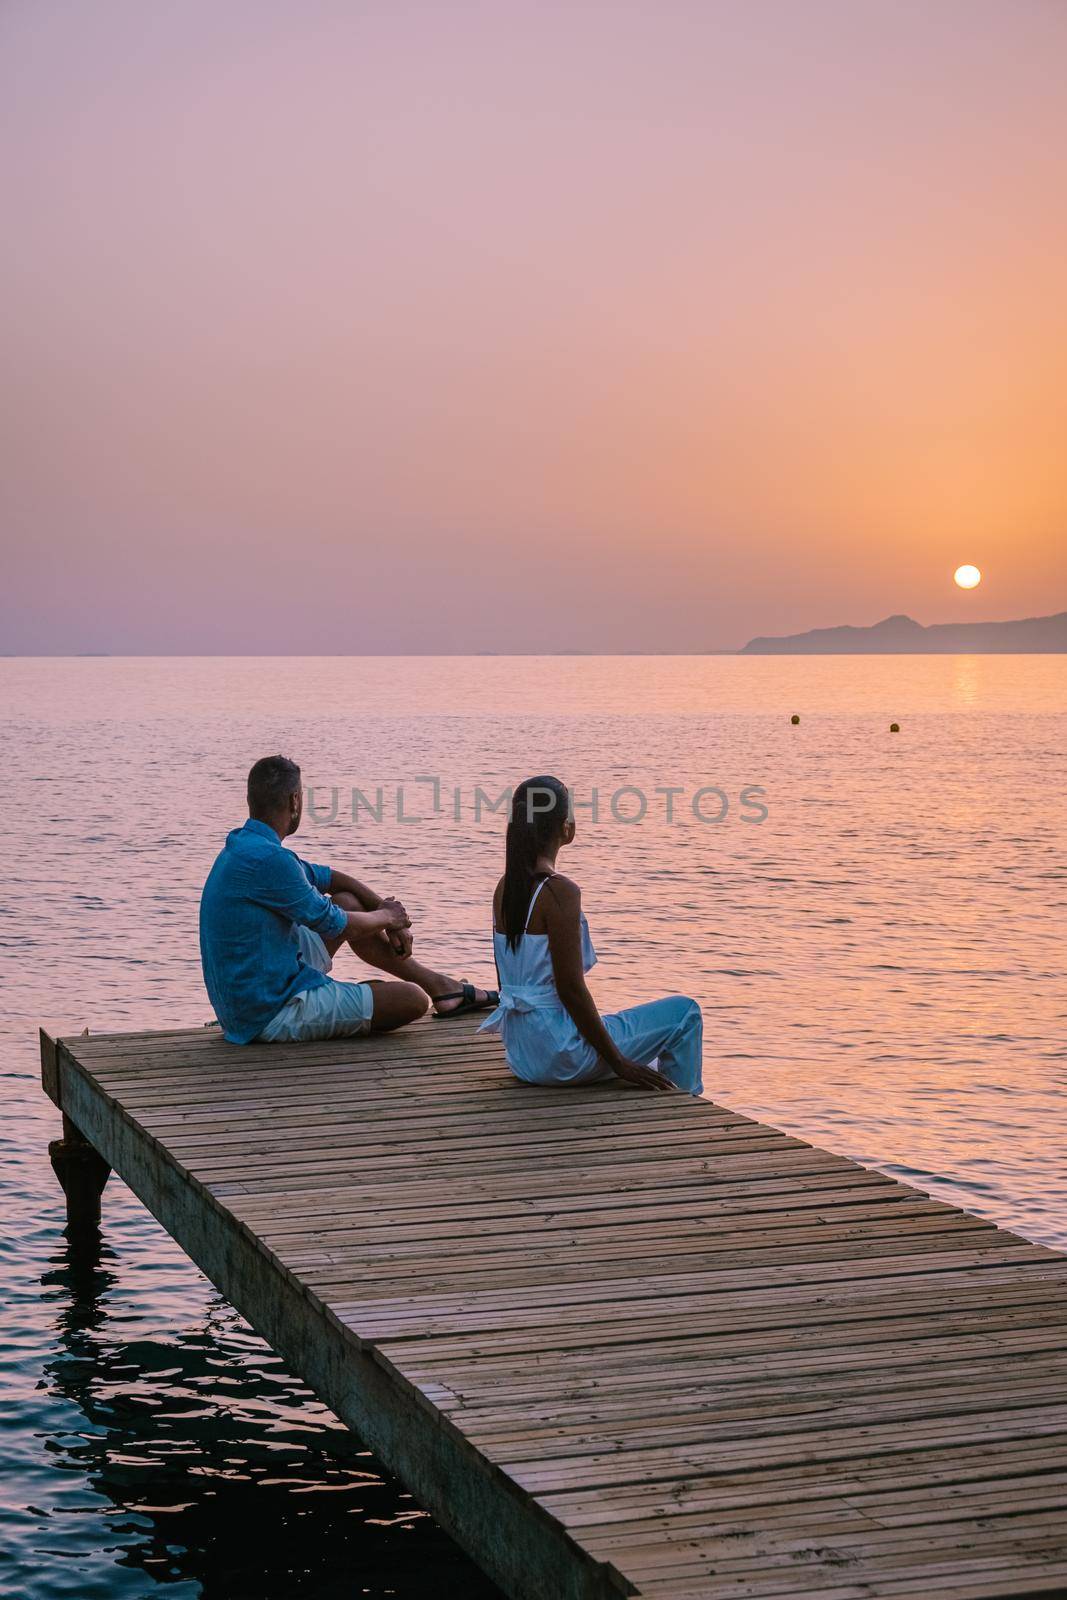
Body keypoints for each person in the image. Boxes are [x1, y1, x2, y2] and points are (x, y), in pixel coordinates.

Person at [200, 755, 496, 1045]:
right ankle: (372, 995)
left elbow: (330, 878)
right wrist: (389, 917)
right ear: (294, 802)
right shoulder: (270, 860)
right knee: (412, 1000)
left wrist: (387, 913)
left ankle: (442, 988)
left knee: (347, 901)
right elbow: (335, 924)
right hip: (269, 1012)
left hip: (257, 989)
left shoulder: (245, 845)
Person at [479, 775, 704, 1093]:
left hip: (523, 1055)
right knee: (684, 1013)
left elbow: (508, 983)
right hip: (561, 1056)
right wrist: (619, 1063)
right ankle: (686, 1105)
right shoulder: (560, 892)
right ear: (564, 827)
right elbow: (570, 989)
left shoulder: (505, 888)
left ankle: (664, 1088)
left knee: (622, 1028)